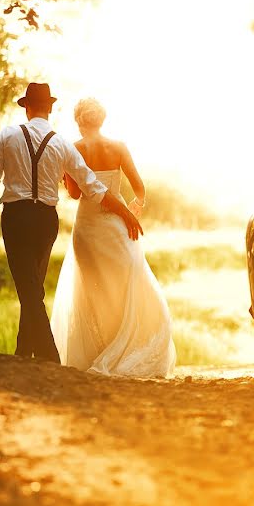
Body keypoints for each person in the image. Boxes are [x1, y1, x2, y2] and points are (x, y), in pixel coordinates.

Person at [0, 82, 143, 363]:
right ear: (49, 108)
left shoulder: (8, 135)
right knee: (33, 286)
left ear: (26, 107)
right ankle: (22, 351)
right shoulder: (61, 142)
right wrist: (125, 212)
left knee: (29, 288)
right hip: (46, 221)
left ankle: (48, 357)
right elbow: (93, 187)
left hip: (16, 217)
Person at [50, 98, 175, 378]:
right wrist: (135, 207)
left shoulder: (74, 149)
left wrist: (64, 178)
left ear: (79, 121)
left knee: (94, 290)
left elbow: (76, 194)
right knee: (126, 282)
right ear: (101, 120)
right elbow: (139, 188)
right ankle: (127, 345)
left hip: (89, 226)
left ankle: (101, 350)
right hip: (119, 224)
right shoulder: (119, 147)